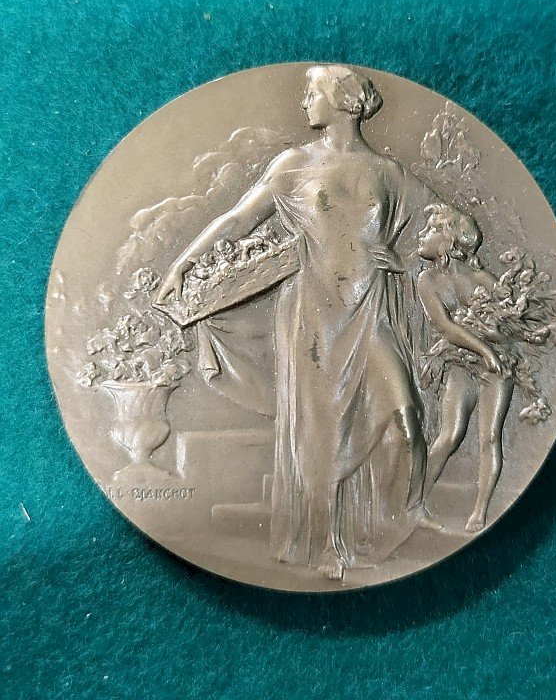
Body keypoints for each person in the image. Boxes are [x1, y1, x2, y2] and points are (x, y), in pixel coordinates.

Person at [157, 65, 438, 579]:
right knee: (320, 431)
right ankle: (326, 541)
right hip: (313, 313)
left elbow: (443, 227)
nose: (305, 102)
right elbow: (238, 219)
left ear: (344, 100)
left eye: (312, 93)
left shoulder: (389, 173)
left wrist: (402, 257)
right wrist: (183, 264)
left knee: (405, 418)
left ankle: (405, 517)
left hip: (369, 309)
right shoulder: (294, 164)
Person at [416, 204, 514, 532]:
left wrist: (494, 337)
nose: (422, 235)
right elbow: (444, 327)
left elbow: (510, 326)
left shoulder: (482, 279)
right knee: (450, 434)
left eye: (431, 230)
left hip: (497, 368)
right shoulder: (427, 280)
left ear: (449, 241)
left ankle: (480, 511)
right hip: (464, 363)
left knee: (489, 437)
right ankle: (414, 502)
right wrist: (484, 348)